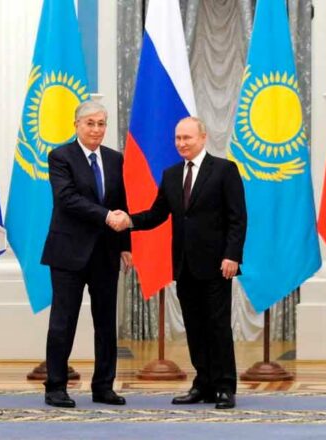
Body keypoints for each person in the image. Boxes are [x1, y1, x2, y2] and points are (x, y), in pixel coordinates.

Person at [109, 116, 247, 409]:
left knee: (218, 327)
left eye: (187, 138)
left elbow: (237, 218)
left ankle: (225, 386)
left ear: (203, 138)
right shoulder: (171, 174)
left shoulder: (224, 170)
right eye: (178, 138)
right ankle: (203, 383)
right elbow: (157, 214)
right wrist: (129, 220)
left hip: (217, 265)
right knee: (194, 327)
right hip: (184, 266)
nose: (181, 143)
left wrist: (232, 255)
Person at [41, 100, 132, 408]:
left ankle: (103, 386)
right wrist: (106, 216)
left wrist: (125, 246)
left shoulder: (115, 159)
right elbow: (66, 198)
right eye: (90, 123)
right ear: (76, 125)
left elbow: (120, 202)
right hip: (68, 252)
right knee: (63, 322)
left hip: (106, 253)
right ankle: (56, 387)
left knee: (106, 323)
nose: (96, 129)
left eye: (101, 123)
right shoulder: (60, 157)